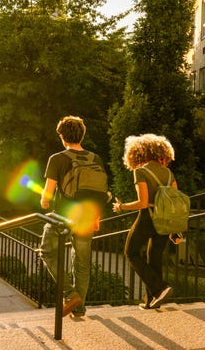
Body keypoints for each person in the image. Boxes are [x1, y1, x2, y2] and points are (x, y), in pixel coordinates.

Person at [40, 116, 107, 318]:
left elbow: (47, 195)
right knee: (82, 263)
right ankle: (79, 308)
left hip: (63, 218)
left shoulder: (57, 159)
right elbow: (100, 191)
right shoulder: (96, 159)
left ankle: (70, 294)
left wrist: (43, 202)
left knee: (47, 252)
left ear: (62, 136)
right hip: (88, 217)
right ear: (82, 134)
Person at [112, 133, 176, 310]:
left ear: (139, 153)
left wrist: (121, 207)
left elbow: (142, 202)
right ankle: (151, 301)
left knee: (131, 252)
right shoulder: (169, 173)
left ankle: (160, 288)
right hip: (164, 220)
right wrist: (174, 230)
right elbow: (175, 202)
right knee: (154, 257)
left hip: (148, 217)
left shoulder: (140, 171)